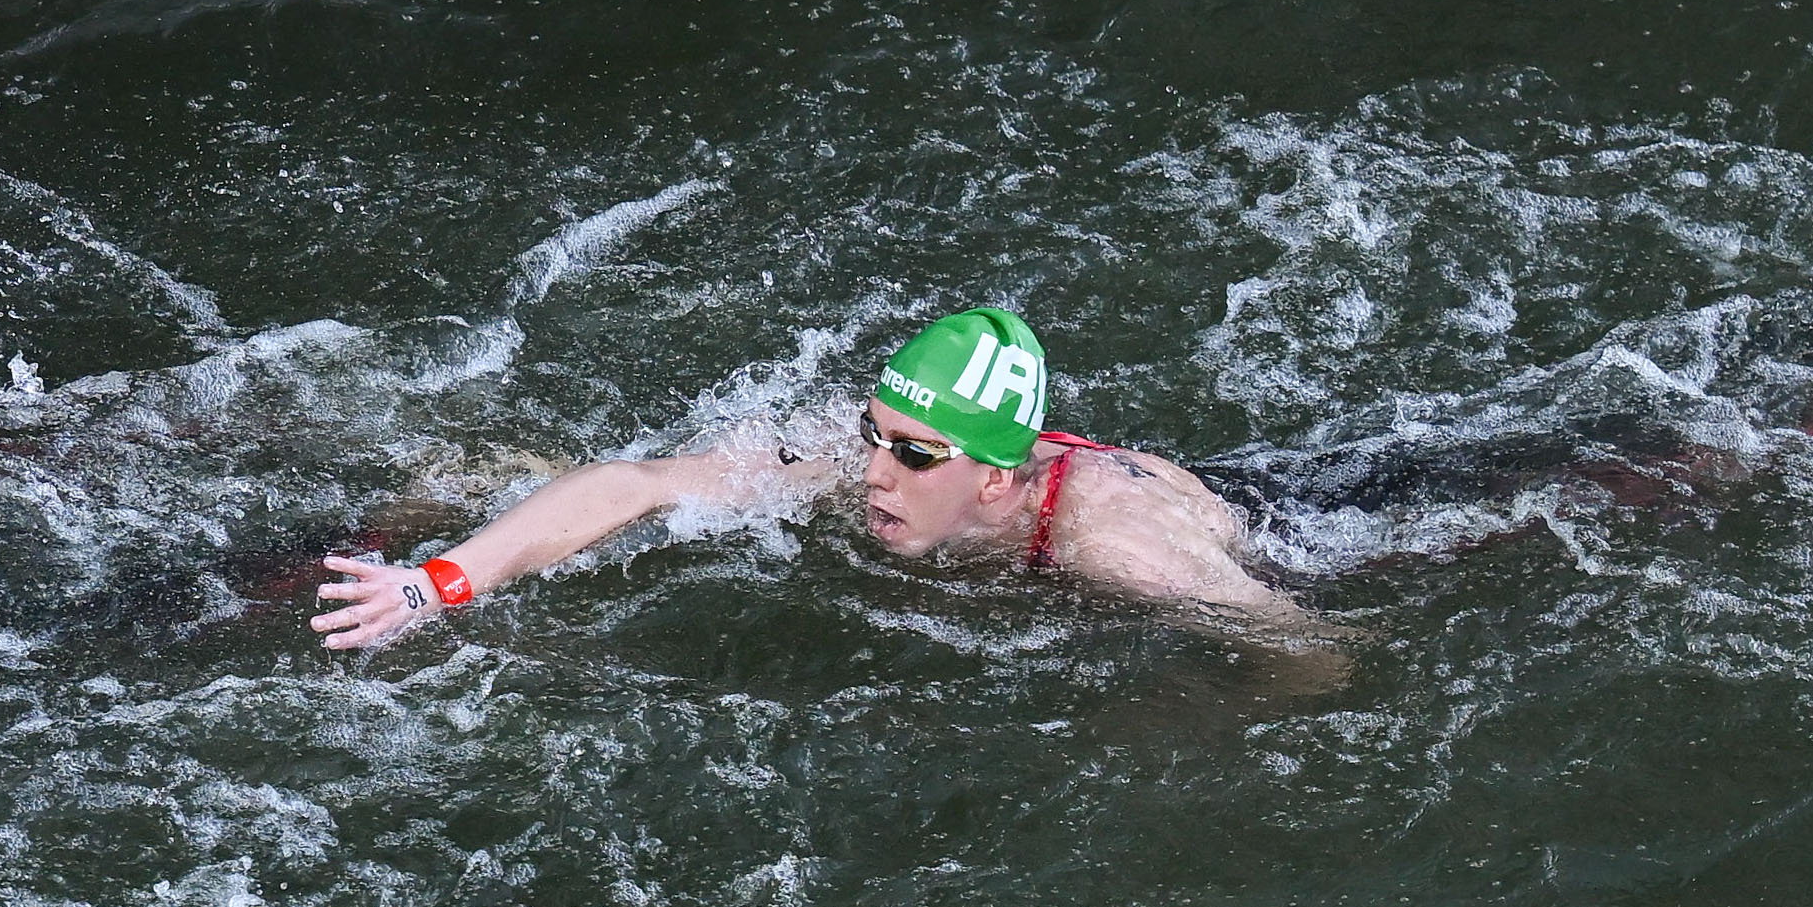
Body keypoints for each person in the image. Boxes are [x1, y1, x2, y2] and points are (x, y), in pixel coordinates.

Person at [313, 307, 1320, 655]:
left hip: (1310, 523)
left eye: (916, 454)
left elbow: (1312, 643)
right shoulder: (857, 466)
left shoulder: (1124, 549)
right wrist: (439, 581)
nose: (876, 470)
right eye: (875, 434)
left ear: (1002, 485)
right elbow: (642, 480)